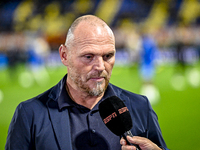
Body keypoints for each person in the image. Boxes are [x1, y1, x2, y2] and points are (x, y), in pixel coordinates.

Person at [5, 15, 169, 150]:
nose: (100, 67)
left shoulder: (140, 107)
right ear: (64, 55)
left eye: (108, 56)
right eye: (88, 57)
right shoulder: (29, 114)